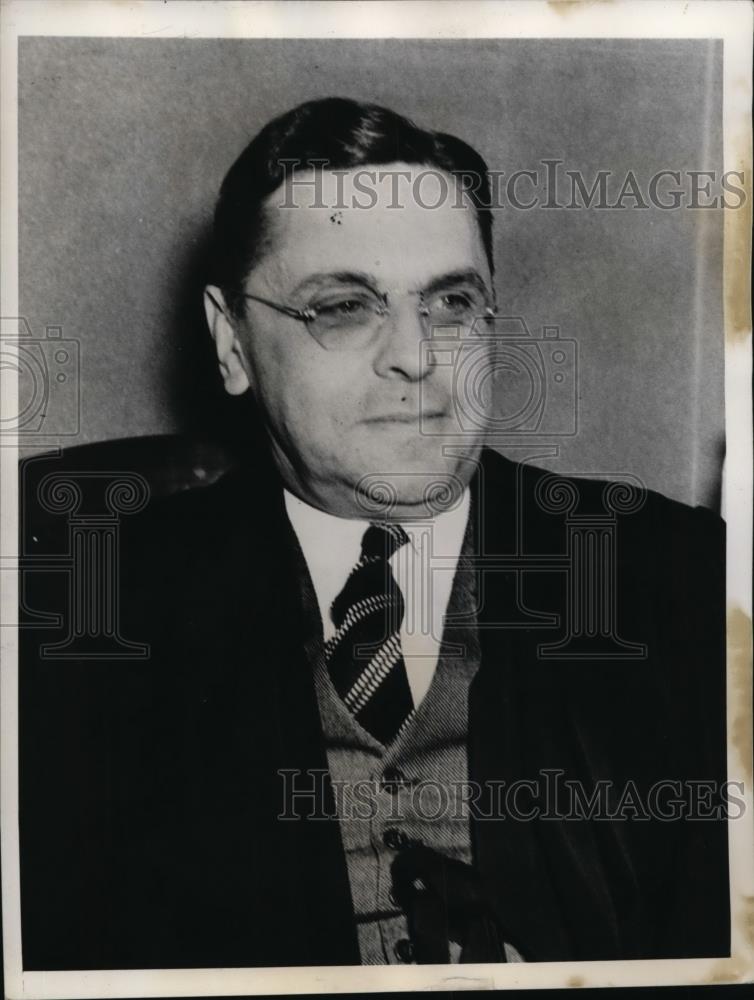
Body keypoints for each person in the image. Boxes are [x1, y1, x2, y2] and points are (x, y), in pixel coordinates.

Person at [19, 98, 729, 970]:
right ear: (231, 342)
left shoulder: (684, 579)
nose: (418, 355)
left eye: (453, 302)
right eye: (345, 306)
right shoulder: (85, 612)